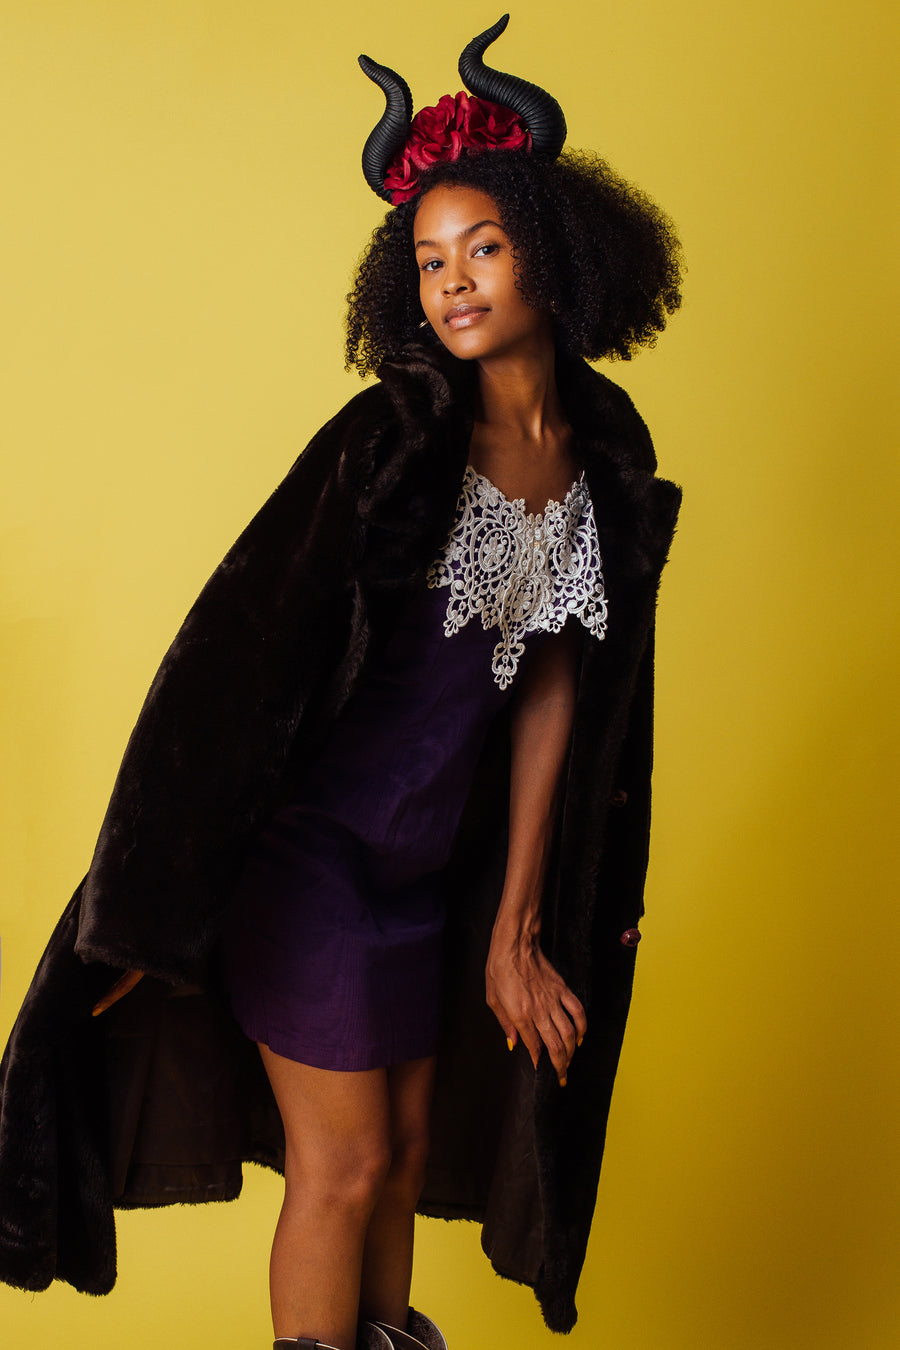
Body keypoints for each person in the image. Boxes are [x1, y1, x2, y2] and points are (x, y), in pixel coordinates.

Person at [0, 15, 683, 1350]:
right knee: (347, 1164)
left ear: (554, 251)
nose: (453, 282)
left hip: (423, 876)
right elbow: (228, 662)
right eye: (428, 260)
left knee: (408, 1150)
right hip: (309, 863)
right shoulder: (392, 440)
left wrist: (521, 923)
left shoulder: (600, 455)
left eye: (482, 248)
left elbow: (555, 684)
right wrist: (144, 912)